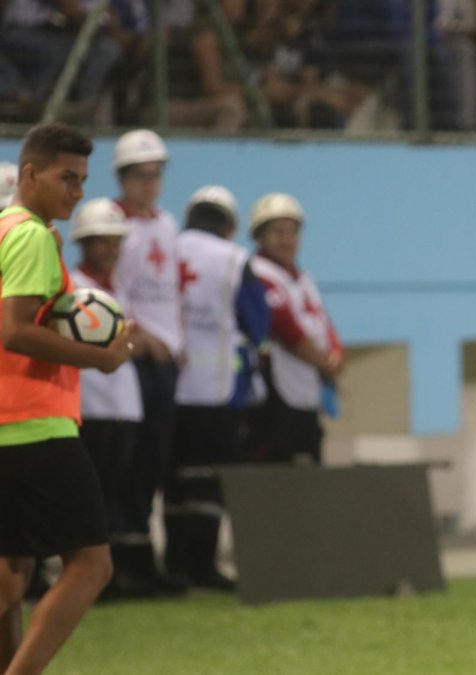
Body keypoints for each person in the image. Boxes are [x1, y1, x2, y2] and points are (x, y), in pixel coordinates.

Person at [0, 122, 132, 675]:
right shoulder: (29, 233)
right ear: (29, 173)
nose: (77, 193)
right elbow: (15, 331)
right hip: (35, 424)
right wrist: (99, 357)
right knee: (91, 565)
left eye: (82, 181)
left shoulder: (5, 228)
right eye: (67, 178)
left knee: (10, 575)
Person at [166, 186, 269, 590]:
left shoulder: (168, 249)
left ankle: (172, 564)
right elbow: (257, 324)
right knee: (208, 483)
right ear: (230, 224)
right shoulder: (234, 260)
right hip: (221, 390)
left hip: (171, 389)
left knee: (174, 481)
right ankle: (201, 565)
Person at [111, 128, 187, 594]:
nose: (150, 184)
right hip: (133, 357)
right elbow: (109, 290)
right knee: (126, 459)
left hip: (165, 358)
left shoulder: (166, 225)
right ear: (123, 177)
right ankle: (118, 559)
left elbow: (172, 287)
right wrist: (141, 334)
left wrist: (176, 338)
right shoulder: (111, 225)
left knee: (154, 461)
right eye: (141, 176)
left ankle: (143, 556)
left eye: (156, 175)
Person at [68, 198, 153, 598]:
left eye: (116, 241)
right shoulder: (71, 285)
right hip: (91, 404)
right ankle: (86, 575)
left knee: (116, 491)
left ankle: (111, 573)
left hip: (123, 404)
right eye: (103, 241)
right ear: (84, 243)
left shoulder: (119, 286)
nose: (111, 249)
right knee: (91, 494)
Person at [246, 193, 344, 465]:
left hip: (307, 385)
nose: (287, 240)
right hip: (274, 390)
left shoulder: (304, 279)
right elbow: (286, 329)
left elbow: (324, 325)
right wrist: (325, 363)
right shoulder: (258, 274)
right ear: (259, 236)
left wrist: (336, 353)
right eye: (278, 232)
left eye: (292, 232)